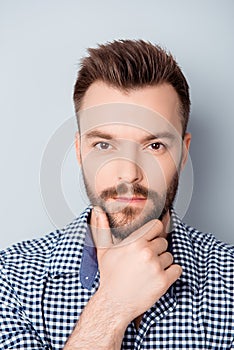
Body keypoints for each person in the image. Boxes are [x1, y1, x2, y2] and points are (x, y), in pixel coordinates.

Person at [0, 40, 233, 350]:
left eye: (154, 146)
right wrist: (111, 307)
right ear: (81, 150)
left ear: (183, 151)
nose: (129, 173)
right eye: (104, 145)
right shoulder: (10, 282)